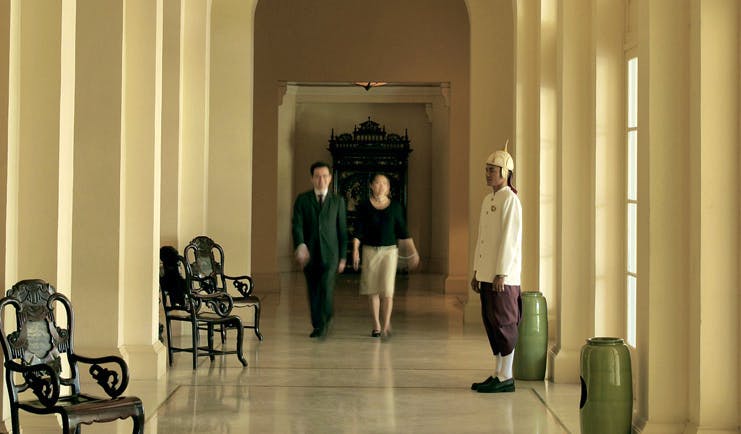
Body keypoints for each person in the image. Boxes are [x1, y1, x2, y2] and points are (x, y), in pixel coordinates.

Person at [469, 142, 522, 393]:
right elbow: (483, 238)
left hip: (503, 277)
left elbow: (509, 239)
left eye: (492, 169)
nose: (488, 173)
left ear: (505, 172)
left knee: (504, 323)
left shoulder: (510, 200)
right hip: (487, 274)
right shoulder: (488, 199)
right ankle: (498, 373)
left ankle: (507, 376)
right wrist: (477, 271)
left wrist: (501, 272)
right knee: (491, 322)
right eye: (487, 169)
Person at [351, 174, 419, 338]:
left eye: (384, 183)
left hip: (389, 252)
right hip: (370, 251)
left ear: (388, 188)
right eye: (377, 183)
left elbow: (403, 231)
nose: (381, 186)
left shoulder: (396, 207)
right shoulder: (364, 206)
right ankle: (376, 325)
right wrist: (355, 250)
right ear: (371, 186)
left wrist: (413, 252)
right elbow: (358, 230)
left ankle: (387, 323)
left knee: (388, 290)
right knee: (372, 290)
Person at [292, 161, 348, 338]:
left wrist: (343, 257)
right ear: (311, 179)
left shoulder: (337, 201)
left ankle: (326, 320)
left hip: (331, 255)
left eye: (324, 176)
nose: (321, 180)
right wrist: (300, 245)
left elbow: (342, 230)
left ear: (330, 178)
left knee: (326, 287)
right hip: (310, 254)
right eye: (317, 176)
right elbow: (297, 225)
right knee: (313, 290)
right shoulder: (302, 199)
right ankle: (317, 324)